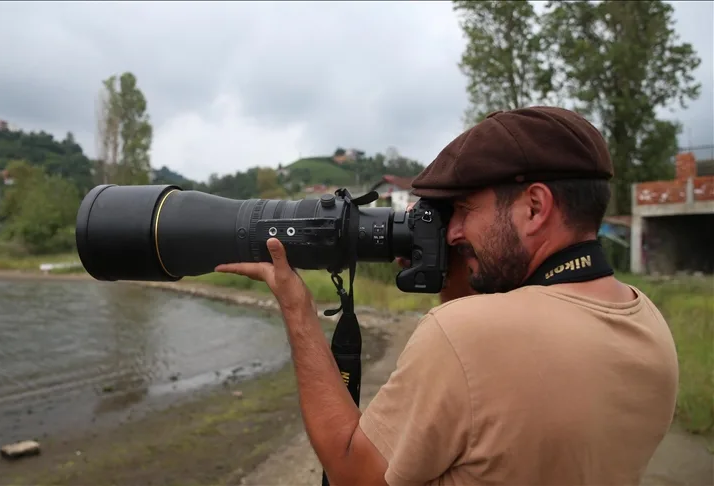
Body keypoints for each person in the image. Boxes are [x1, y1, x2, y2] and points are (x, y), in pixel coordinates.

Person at [215, 106, 679, 486]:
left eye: (463, 210)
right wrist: (454, 273)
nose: (453, 231)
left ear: (535, 207)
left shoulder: (467, 336)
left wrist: (296, 306)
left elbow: (352, 475)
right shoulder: (646, 323)